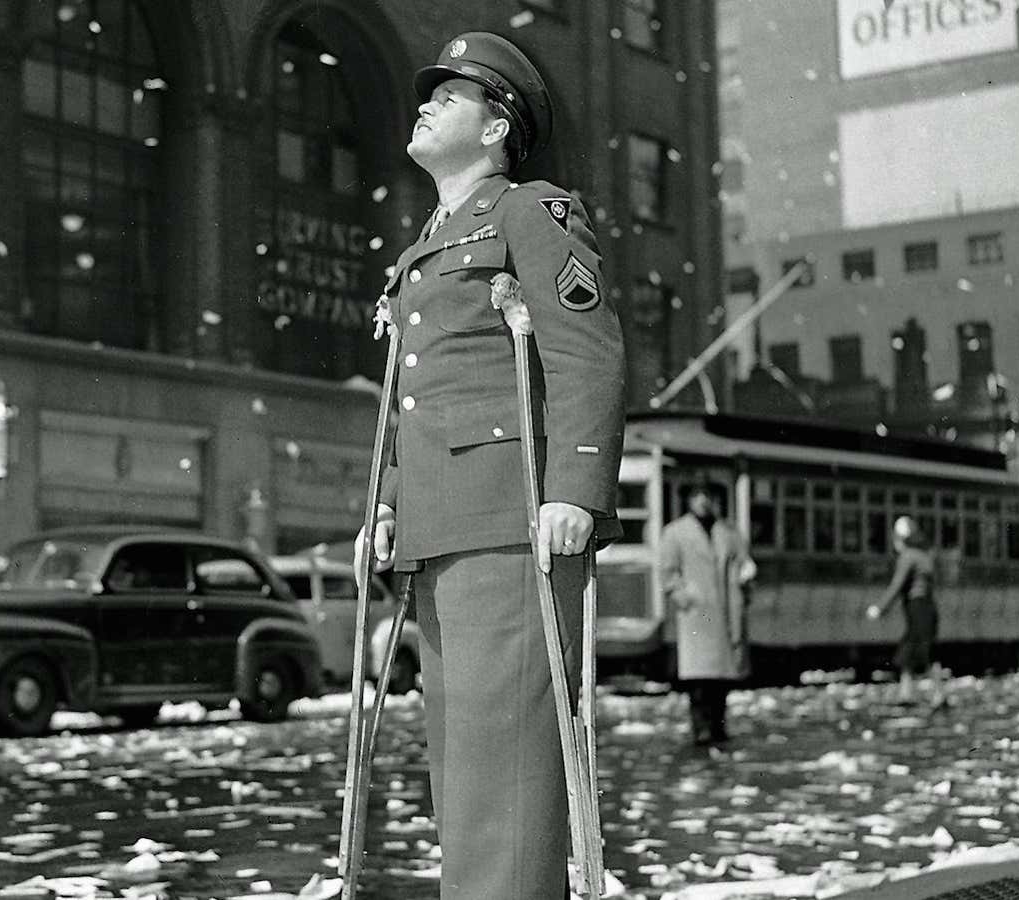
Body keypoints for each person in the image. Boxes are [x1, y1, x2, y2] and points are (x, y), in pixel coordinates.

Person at [354, 31, 627, 900]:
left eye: (450, 94)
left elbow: (585, 353)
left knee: (503, 770)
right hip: (442, 529)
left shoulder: (529, 212)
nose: (426, 102)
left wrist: (576, 488)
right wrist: (390, 503)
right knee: (464, 770)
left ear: (497, 125)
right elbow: (417, 395)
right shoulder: (424, 245)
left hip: (513, 523)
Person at [657, 482, 756, 748]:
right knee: (699, 680)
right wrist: (684, 598)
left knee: (721, 679)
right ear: (688, 500)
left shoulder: (729, 532)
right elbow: (667, 574)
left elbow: (744, 564)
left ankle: (718, 729)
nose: (703, 501)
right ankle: (700, 730)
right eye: (697, 495)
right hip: (697, 615)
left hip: (725, 612)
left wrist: (746, 583)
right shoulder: (675, 533)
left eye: (707, 495)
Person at [867, 515, 939, 706]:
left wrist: (880, 608)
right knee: (919, 652)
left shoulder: (908, 557)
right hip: (928, 608)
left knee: (911, 651)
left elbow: (897, 585)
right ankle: (909, 694)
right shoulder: (925, 555)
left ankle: (920, 694)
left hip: (916, 607)